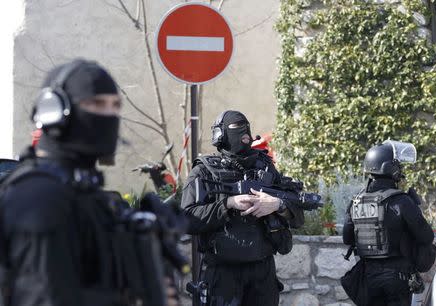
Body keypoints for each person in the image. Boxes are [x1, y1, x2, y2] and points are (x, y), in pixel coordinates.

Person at [0, 59, 177, 306]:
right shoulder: (39, 197)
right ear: (53, 112)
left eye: (114, 106)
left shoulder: (84, 192)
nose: (108, 115)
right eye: (96, 104)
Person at [181, 110, 305, 306]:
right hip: (223, 274)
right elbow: (187, 219)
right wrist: (228, 204)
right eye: (236, 129)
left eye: (245, 127)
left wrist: (276, 205)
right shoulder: (204, 171)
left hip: (262, 272)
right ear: (221, 135)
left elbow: (297, 215)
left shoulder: (265, 167)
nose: (244, 134)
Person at [342, 140, 435, 306]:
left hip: (367, 278)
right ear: (390, 168)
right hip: (397, 277)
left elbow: (347, 239)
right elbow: (426, 237)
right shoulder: (401, 201)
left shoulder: (356, 201)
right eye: (397, 165)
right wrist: (416, 208)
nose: (400, 169)